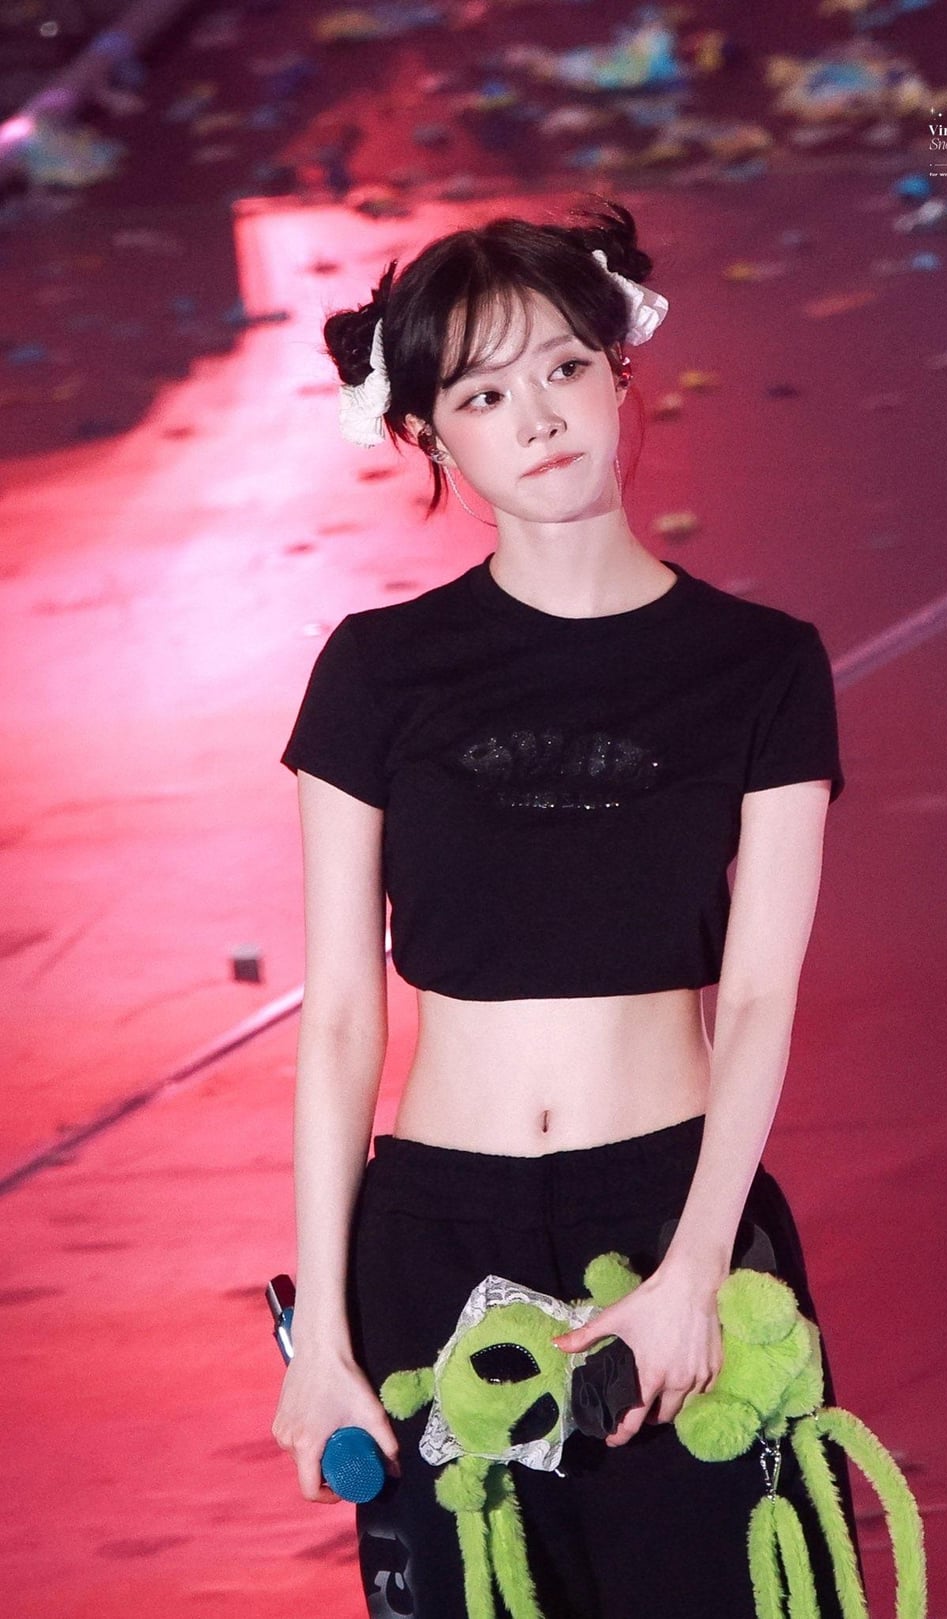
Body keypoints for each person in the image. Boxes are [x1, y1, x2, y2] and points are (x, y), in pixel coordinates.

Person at [272, 196, 866, 1619]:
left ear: (618, 373)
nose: (536, 417)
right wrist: (324, 1335)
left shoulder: (762, 665)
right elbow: (342, 1017)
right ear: (430, 436)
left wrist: (695, 1267)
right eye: (482, 394)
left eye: (562, 368)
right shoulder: (376, 670)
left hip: (669, 1214)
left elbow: (762, 995)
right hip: (436, 1237)